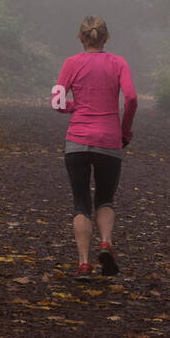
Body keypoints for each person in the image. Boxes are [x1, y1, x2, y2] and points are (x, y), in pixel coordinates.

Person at [51, 15, 137, 277]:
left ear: (81, 38)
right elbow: (131, 98)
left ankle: (84, 263)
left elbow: (56, 101)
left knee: (80, 203)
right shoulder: (118, 63)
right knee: (105, 198)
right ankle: (106, 243)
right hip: (109, 140)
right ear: (106, 38)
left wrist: (74, 106)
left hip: (77, 141)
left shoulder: (71, 63)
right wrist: (124, 131)